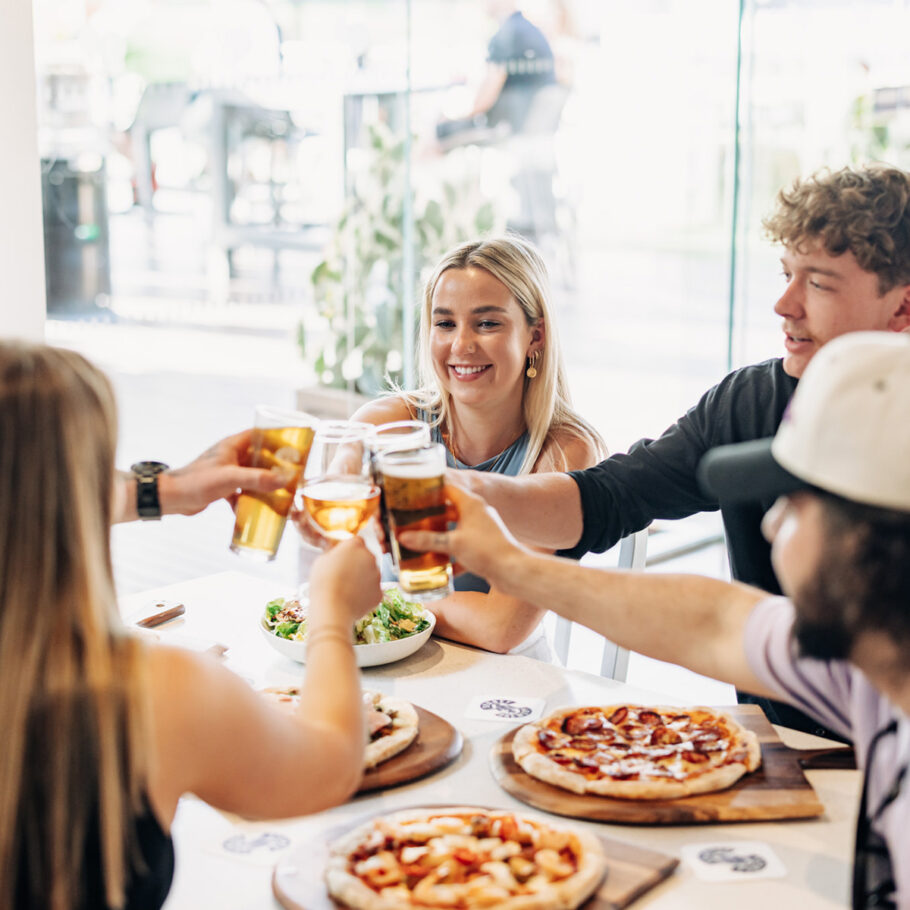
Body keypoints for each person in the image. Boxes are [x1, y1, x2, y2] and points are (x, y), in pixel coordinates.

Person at [403, 331, 910, 907]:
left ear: (867, 541)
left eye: (793, 502)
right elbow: (713, 622)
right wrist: (507, 563)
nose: (770, 525)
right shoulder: (872, 661)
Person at [450, 164, 910, 733]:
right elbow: (616, 502)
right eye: (786, 274)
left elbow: (719, 625)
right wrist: (468, 491)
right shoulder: (747, 403)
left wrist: (509, 563)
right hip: (780, 743)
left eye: (817, 283)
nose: (783, 304)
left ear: (901, 308)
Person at [0, 341, 381, 910]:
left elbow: (34, 495)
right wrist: (331, 615)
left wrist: (163, 489)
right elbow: (328, 767)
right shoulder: (153, 693)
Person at [352, 235, 605, 655]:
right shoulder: (387, 425)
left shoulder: (564, 452)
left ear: (536, 336)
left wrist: (380, 597)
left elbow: (500, 628)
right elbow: (327, 540)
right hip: (389, 663)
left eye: (487, 324)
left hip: (510, 677)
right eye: (445, 323)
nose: (461, 345)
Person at [436, 1, 557, 147]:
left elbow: (485, 100)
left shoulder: (506, 36)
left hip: (507, 128)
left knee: (441, 131)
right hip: (531, 129)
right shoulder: (531, 31)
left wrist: (457, 117)